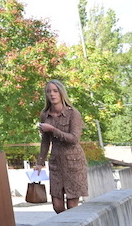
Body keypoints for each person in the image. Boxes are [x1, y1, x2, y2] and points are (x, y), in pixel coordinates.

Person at [33, 79, 87, 213]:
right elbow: (45, 141)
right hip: (56, 163)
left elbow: (74, 139)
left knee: (72, 206)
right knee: (57, 206)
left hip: (74, 163)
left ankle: (72, 222)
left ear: (61, 93)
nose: (52, 94)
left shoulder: (73, 113)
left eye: (55, 91)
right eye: (48, 91)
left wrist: (53, 130)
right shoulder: (45, 115)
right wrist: (40, 163)